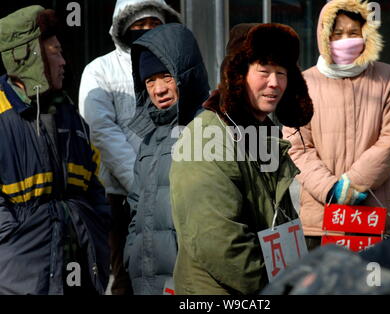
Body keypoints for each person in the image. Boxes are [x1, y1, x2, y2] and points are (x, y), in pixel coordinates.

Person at [169, 23, 314, 295]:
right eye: (264, 71)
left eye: (281, 73)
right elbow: (219, 242)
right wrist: (282, 287)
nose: (274, 83)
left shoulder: (263, 133)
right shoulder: (205, 137)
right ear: (238, 75)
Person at [0, 6, 110, 295]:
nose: (64, 62)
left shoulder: (70, 114)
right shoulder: (1, 117)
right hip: (22, 280)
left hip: (80, 273)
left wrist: (97, 224)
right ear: (30, 57)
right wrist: (14, 242)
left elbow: (92, 184)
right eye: (55, 52)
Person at [283, 0, 390, 250]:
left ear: (366, 35)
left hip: (377, 211)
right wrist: (331, 190)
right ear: (324, 37)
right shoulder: (305, 83)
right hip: (322, 218)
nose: (345, 40)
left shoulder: (388, 79)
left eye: (353, 33)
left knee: (374, 286)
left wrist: (353, 184)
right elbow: (297, 146)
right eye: (337, 34)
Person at [78, 0, 180, 295]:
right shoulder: (100, 70)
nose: (147, 31)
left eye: (154, 24)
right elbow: (101, 132)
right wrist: (141, 185)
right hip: (117, 199)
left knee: (168, 276)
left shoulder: (176, 67)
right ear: (123, 27)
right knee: (122, 278)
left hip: (170, 193)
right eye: (139, 25)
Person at [124, 24, 210, 295]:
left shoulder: (209, 130)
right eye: (150, 81)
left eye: (165, 77)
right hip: (145, 280)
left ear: (185, 74)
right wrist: (131, 254)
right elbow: (135, 207)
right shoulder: (149, 138)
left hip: (188, 281)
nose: (158, 89)